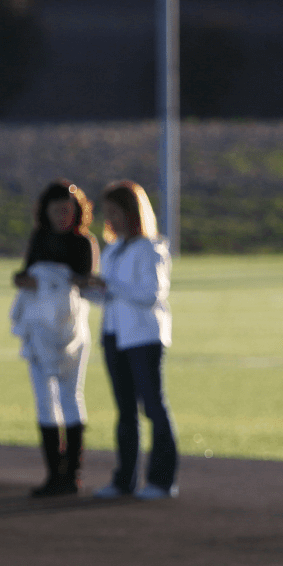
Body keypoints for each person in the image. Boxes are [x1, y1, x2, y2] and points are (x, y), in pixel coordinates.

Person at [84, 180, 177, 500]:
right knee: (125, 411)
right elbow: (109, 297)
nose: (110, 219)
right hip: (114, 336)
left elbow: (151, 294)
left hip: (143, 337)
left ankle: (162, 481)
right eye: (108, 212)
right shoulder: (113, 249)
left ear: (132, 213)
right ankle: (124, 480)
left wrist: (109, 286)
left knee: (152, 406)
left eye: (116, 212)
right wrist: (86, 288)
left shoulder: (150, 248)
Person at [11, 180, 98, 497]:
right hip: (39, 331)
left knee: (71, 396)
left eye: (67, 210)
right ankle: (53, 474)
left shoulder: (83, 242)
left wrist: (57, 281)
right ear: (45, 212)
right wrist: (28, 280)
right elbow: (24, 275)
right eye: (57, 210)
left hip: (70, 333)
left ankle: (71, 474)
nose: (63, 216)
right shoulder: (39, 238)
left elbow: (85, 283)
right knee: (44, 401)